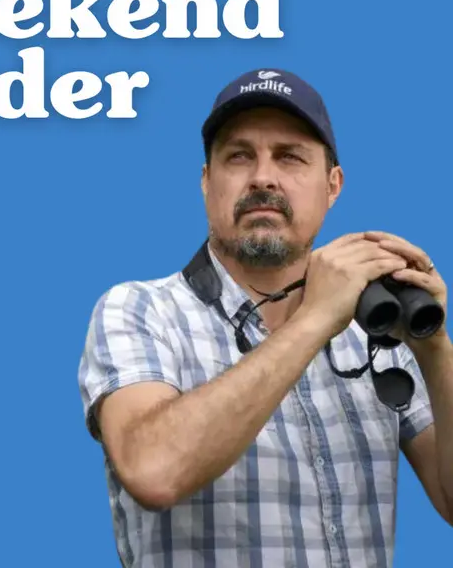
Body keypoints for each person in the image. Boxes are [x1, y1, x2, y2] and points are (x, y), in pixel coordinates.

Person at [77, 68, 453, 567]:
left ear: (333, 185)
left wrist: (434, 348)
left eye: (290, 156)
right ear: (207, 183)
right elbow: (154, 471)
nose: (262, 177)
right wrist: (315, 318)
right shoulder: (141, 310)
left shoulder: (378, 328)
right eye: (238, 156)